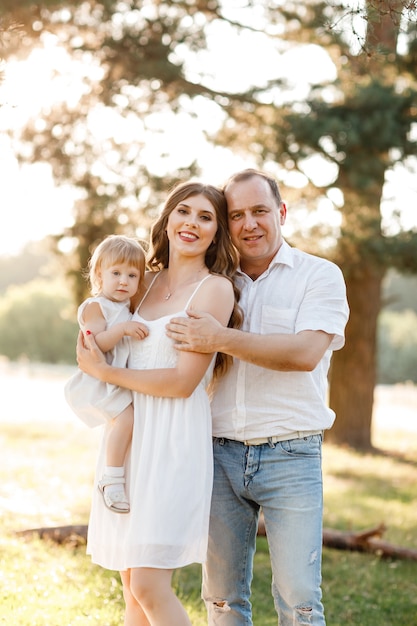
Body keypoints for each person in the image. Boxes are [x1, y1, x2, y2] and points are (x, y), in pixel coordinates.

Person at [166, 169, 350, 625]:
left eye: (260, 211)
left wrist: (218, 337)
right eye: (237, 215)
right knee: (223, 599)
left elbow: (306, 353)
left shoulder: (319, 275)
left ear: (281, 213)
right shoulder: (212, 283)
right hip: (218, 451)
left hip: (292, 452)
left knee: (300, 601)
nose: (249, 224)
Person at [75, 181, 242, 626]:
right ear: (167, 219)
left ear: (217, 231)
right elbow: (96, 323)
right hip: (127, 441)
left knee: (149, 584)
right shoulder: (140, 283)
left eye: (205, 217)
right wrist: (90, 340)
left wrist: (104, 372)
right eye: (183, 211)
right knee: (132, 588)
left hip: (172, 441)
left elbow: (183, 382)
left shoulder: (215, 290)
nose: (191, 223)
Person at [65, 234, 148, 513]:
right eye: (116, 273)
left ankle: (119, 474)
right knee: (126, 419)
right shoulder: (96, 306)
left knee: (126, 422)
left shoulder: (125, 307)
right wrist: (123, 330)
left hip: (116, 378)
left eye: (132, 275)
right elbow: (95, 343)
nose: (124, 281)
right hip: (99, 381)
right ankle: (111, 479)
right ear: (99, 273)